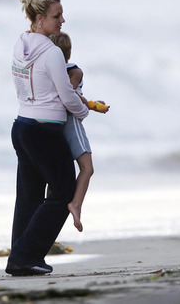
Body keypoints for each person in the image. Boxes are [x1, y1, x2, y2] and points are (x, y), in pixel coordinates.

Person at [7, 0, 90, 276]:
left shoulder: (20, 43)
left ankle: (20, 257)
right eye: (57, 16)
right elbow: (67, 96)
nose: (62, 20)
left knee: (29, 194)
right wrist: (84, 109)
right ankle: (24, 255)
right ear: (40, 19)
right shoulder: (52, 52)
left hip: (21, 127)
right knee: (64, 189)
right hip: (44, 131)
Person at [50, 31, 109, 233]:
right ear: (69, 52)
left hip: (53, 124)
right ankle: (76, 205)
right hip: (71, 123)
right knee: (87, 168)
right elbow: (70, 94)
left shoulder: (48, 71)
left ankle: (54, 208)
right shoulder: (75, 71)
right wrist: (91, 105)